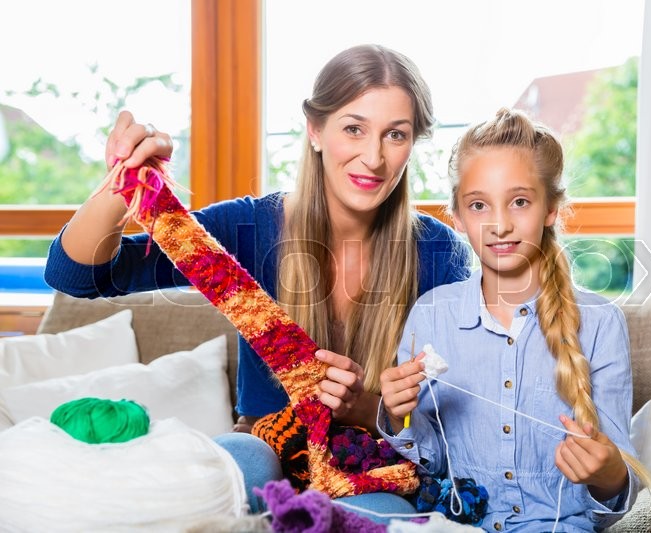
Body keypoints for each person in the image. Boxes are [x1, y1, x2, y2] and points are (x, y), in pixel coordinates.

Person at [44, 44, 471, 516]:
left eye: (395, 135)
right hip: (264, 449)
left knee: (388, 517)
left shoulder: (438, 251)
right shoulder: (248, 227)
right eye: (354, 128)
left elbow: (457, 421)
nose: (373, 157)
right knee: (238, 462)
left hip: (370, 466)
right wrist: (127, 178)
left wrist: (366, 409)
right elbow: (76, 276)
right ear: (315, 130)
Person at [378, 108, 651, 531]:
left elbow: (618, 489)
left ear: (551, 208)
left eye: (520, 202)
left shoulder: (600, 323)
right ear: (457, 216)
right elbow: (430, 464)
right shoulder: (432, 315)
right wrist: (399, 417)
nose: (501, 225)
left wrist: (607, 470)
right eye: (479, 205)